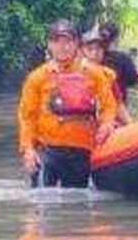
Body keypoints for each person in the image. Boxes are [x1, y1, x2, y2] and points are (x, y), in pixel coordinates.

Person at [18, 20, 118, 188]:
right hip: (47, 150)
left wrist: (107, 125)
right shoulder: (37, 78)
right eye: (57, 41)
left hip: (82, 151)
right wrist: (28, 149)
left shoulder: (95, 73)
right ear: (49, 44)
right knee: (42, 199)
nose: (62, 47)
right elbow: (27, 116)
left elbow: (109, 106)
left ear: (76, 44)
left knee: (77, 201)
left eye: (67, 42)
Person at [81, 28, 132, 126]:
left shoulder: (108, 75)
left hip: (105, 125)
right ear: (82, 51)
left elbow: (118, 104)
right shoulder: (75, 73)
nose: (94, 53)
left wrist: (131, 125)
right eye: (90, 49)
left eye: (98, 49)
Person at [98, 22, 138, 100]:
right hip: (117, 101)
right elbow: (133, 80)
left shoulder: (91, 56)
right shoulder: (124, 58)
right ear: (117, 38)